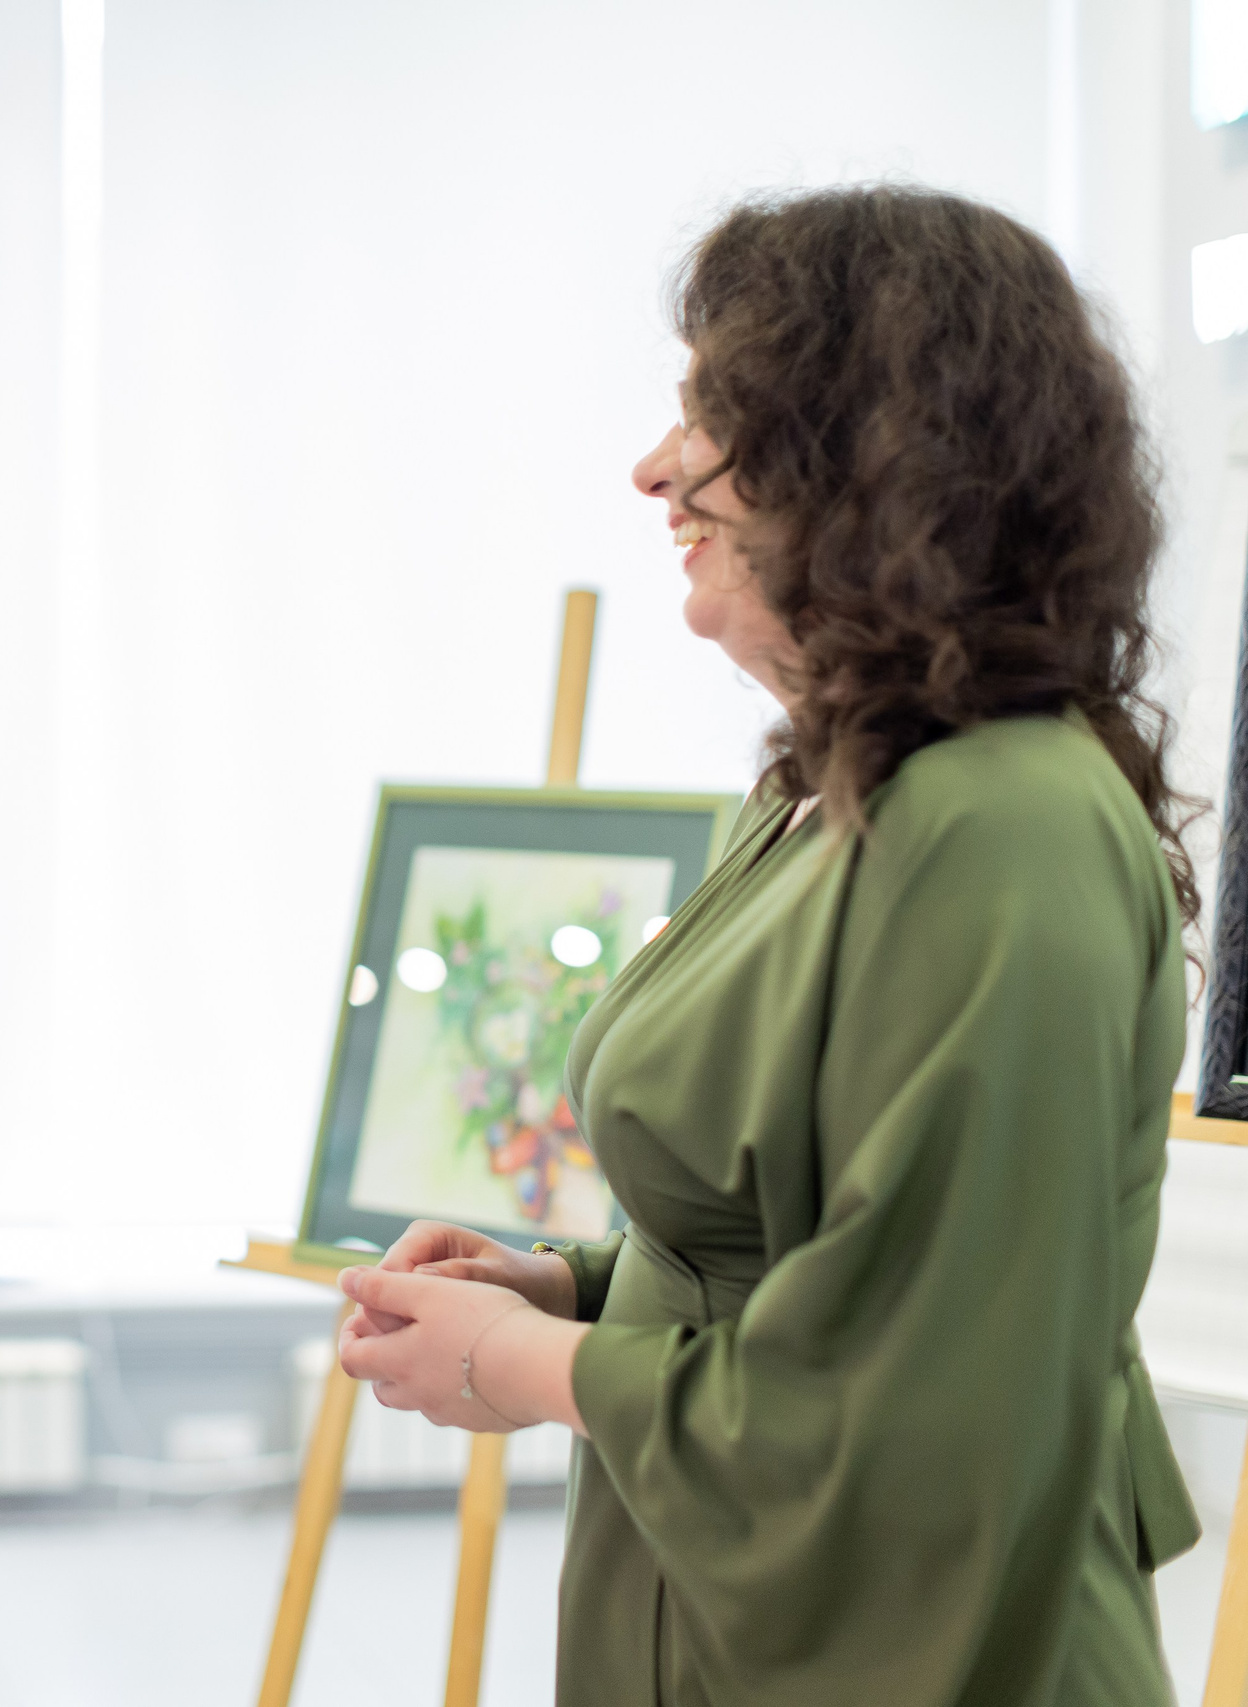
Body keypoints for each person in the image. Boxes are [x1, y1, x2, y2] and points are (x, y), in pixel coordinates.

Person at [335, 186, 1202, 1706]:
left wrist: (512, 1365)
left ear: (874, 455)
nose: (656, 467)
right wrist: (577, 1287)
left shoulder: (1005, 824)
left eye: (709, 415)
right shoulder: (825, 789)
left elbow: (909, 1412)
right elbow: (807, 1238)